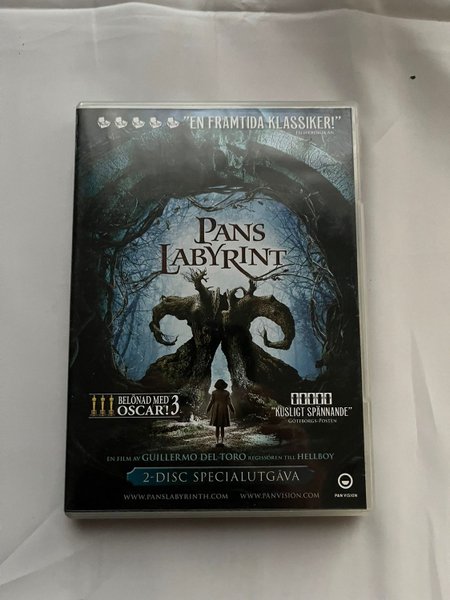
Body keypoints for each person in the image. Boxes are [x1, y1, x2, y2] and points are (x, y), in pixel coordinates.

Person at [206, 379, 235, 446]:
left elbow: (211, 402)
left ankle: (217, 441)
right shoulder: (226, 393)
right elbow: (229, 403)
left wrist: (208, 409)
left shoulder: (214, 392)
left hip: (216, 409)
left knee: (217, 426)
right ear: (224, 385)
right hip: (224, 409)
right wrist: (232, 409)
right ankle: (222, 441)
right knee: (222, 426)